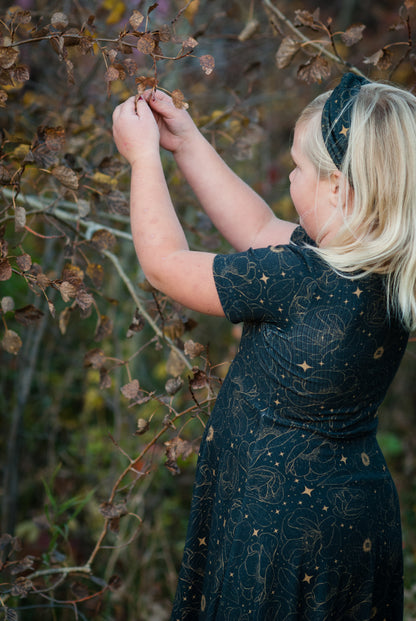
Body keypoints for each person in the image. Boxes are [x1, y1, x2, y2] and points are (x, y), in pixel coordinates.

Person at [112, 72, 416, 619]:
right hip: (352, 518)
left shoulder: (301, 279)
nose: (291, 177)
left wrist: (143, 160)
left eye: (298, 167)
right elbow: (257, 225)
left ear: (340, 189)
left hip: (276, 530)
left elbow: (165, 267)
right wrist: (187, 142)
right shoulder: (384, 268)